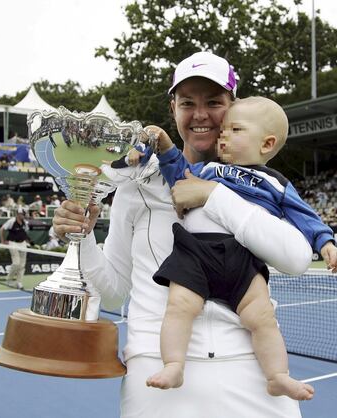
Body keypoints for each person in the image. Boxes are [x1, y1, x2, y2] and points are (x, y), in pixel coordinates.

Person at [53, 52, 314, 418]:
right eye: (188, 102)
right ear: (173, 107)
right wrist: (83, 237)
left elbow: (297, 259)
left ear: (233, 106)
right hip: (157, 369)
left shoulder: (260, 185)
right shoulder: (136, 182)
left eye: (214, 102)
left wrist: (213, 195)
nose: (201, 114)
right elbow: (114, 287)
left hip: (254, 366)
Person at [137, 97, 337, 398]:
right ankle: (174, 365)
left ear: (266, 143)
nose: (224, 136)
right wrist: (165, 146)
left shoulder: (277, 183)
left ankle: (277, 375)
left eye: (235, 130)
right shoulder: (207, 170)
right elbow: (178, 174)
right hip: (195, 251)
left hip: (242, 258)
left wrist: (325, 242)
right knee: (179, 307)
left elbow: (304, 216)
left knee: (262, 317)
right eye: (224, 131)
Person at [0, 208, 30, 289]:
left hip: (23, 244)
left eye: (23, 214)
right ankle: (8, 280)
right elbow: (1, 229)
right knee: (16, 263)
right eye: (20, 214)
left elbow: (25, 232)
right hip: (13, 243)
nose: (22, 215)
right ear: (17, 214)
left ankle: (19, 282)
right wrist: (2, 241)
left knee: (22, 265)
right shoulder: (11, 221)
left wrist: (27, 241)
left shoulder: (25, 222)